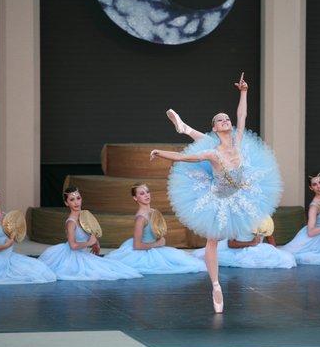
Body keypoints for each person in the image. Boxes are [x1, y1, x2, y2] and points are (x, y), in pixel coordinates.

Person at [150, 73, 282, 312]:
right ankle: (216, 284)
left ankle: (185, 128)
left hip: (239, 192)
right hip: (219, 197)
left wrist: (243, 91)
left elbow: (242, 115)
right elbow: (185, 157)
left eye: (226, 119)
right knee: (212, 241)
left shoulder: (239, 140)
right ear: (213, 128)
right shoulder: (212, 152)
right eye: (220, 120)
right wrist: (160, 152)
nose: (225, 121)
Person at [38, 187, 142, 280]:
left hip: (82, 253)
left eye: (78, 198)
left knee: (111, 268)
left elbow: (90, 231)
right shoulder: (71, 222)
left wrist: (95, 242)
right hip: (71, 256)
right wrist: (89, 243)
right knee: (98, 272)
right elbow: (73, 245)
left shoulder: (85, 217)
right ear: (66, 203)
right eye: (72, 199)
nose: (76, 202)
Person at [105, 183, 206, 274]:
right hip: (143, 253)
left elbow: (157, 232)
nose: (146, 195)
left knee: (187, 263)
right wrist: (157, 244)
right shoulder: (141, 218)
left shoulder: (153, 212)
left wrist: (160, 239)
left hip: (155, 249)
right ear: (135, 198)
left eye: (147, 192)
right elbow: (137, 245)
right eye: (142, 193)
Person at [192, 216, 296, 269]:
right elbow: (230, 244)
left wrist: (274, 251)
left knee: (286, 259)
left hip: (250, 248)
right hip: (229, 248)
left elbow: (269, 236)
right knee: (200, 255)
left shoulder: (265, 217)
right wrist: (251, 243)